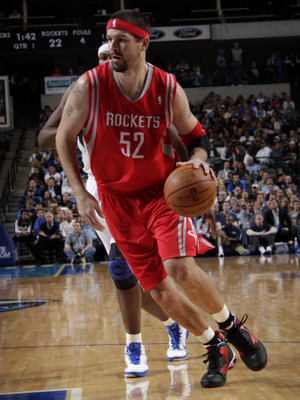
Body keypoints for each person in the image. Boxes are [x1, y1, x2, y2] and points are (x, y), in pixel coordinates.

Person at [55, 10, 267, 388]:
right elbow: (61, 137)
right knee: (156, 289)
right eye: (109, 38)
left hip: (161, 194)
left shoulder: (167, 88)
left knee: (179, 269)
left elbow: (197, 138)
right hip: (115, 200)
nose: (112, 46)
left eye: (122, 39)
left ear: (143, 43)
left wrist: (198, 162)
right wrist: (78, 192)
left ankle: (233, 327)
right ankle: (215, 345)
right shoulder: (89, 86)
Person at [38, 42, 192, 378]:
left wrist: (192, 171)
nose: (109, 62)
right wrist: (75, 124)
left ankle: (175, 324)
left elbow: (176, 136)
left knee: (148, 276)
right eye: (103, 58)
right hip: (102, 189)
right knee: (124, 274)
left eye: (114, 56)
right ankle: (137, 342)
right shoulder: (84, 92)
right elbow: (45, 136)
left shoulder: (146, 93)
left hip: (148, 188)